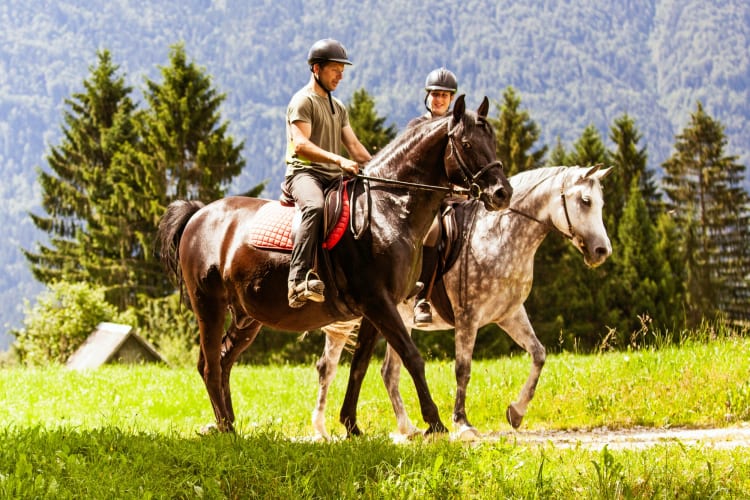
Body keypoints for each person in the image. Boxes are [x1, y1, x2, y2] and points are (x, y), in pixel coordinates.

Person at [284, 38, 372, 308]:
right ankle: (297, 281)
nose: (340, 75)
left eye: (342, 69)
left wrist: (381, 168)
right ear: (316, 69)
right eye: (335, 68)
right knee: (314, 207)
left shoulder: (338, 107)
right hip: (305, 174)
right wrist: (338, 159)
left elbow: (355, 147)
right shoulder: (303, 101)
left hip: (334, 176)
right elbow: (300, 146)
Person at [409, 67, 458, 326]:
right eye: (435, 94)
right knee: (434, 230)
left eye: (444, 95)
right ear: (427, 96)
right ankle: (422, 301)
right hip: (424, 200)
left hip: (455, 197)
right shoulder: (417, 126)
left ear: (451, 99)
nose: (439, 99)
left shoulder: (458, 128)